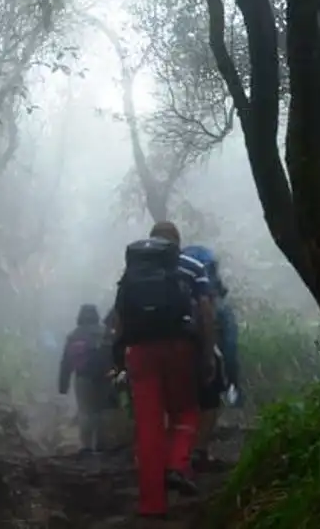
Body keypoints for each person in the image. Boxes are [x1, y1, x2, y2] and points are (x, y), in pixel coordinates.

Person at [109, 221, 217, 518]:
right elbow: (207, 312)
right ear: (176, 243)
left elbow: (119, 316)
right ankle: (177, 464)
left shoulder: (132, 270)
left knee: (148, 426)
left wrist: (118, 358)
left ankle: (152, 505)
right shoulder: (193, 266)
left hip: (140, 352)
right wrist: (207, 354)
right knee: (186, 410)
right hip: (180, 347)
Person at [181, 244, 241, 468]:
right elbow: (230, 346)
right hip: (203, 357)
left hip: (170, 358)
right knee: (208, 402)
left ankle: (174, 454)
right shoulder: (216, 304)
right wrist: (233, 380)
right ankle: (198, 452)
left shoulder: (174, 287)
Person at [58, 303, 115, 453]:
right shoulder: (105, 333)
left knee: (86, 412)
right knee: (102, 411)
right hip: (105, 378)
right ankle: (102, 444)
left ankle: (86, 446)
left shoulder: (74, 335)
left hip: (83, 378)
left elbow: (66, 362)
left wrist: (63, 386)